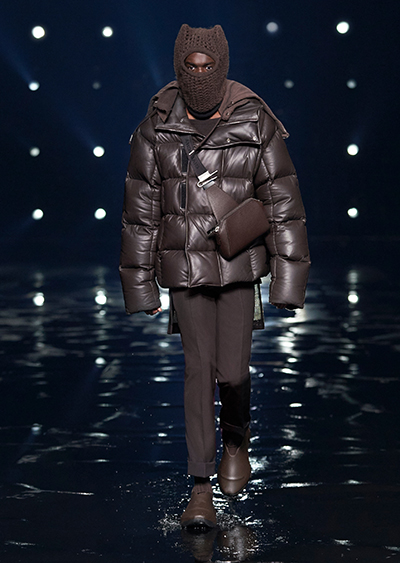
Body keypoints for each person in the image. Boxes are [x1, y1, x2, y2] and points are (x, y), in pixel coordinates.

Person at [119, 23, 310, 528]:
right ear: (178, 67)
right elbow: (140, 213)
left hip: (238, 265)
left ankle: (237, 441)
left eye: (208, 66)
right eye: (191, 66)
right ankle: (200, 488)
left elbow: (283, 202)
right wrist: (140, 284)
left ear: (222, 65)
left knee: (234, 372)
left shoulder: (255, 119)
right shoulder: (156, 126)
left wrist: (288, 281)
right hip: (185, 269)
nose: (199, 74)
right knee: (197, 374)